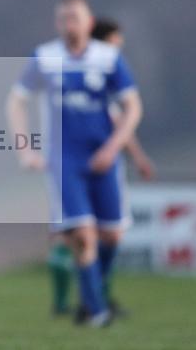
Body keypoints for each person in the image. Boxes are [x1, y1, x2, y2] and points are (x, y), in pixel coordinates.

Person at [6, 0, 142, 327]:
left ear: (89, 23)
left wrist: (113, 148)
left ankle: (88, 294)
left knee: (112, 236)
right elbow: (16, 100)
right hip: (64, 160)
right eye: (64, 19)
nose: (70, 24)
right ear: (58, 24)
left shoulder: (108, 58)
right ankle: (96, 311)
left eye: (76, 18)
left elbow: (133, 107)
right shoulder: (45, 57)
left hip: (104, 159)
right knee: (83, 235)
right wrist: (24, 148)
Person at [47, 17, 155, 318]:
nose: (118, 50)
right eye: (115, 43)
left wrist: (136, 155)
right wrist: (138, 156)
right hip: (74, 162)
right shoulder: (93, 77)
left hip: (98, 163)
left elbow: (122, 120)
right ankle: (88, 302)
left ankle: (91, 297)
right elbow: (119, 121)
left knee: (99, 237)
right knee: (76, 237)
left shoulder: (107, 76)